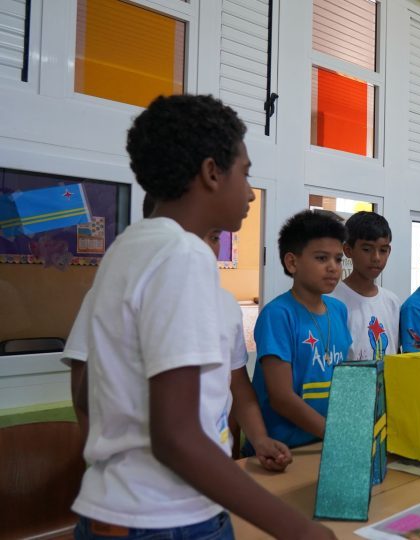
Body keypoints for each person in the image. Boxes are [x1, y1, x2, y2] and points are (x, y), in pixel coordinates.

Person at [69, 94, 334, 539]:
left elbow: (85, 392)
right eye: (245, 173)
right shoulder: (182, 254)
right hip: (166, 518)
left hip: (116, 510)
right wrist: (299, 530)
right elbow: (177, 438)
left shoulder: (128, 250)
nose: (250, 192)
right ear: (212, 172)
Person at [65, 195, 292, 473]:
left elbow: (238, 386)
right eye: (188, 236)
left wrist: (260, 439)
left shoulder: (225, 304)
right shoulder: (114, 296)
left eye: (213, 237)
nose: (202, 248)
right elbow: (84, 392)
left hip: (210, 470)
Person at [251, 209, 352, 449]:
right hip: (284, 448)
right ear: (292, 262)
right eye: (321, 258)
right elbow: (281, 398)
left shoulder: (338, 310)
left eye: (338, 259)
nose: (333, 267)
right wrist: (334, 434)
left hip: (325, 442)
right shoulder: (278, 314)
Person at [330, 211, 401, 361]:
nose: (376, 258)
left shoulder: (392, 301)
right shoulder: (332, 301)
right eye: (367, 249)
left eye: (383, 250)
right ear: (348, 250)